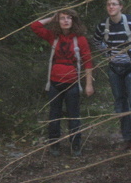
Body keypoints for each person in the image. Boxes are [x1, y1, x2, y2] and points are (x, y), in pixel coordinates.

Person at [31, 10, 94, 157]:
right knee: (54, 115)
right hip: (54, 82)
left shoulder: (80, 40)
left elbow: (88, 62)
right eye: (62, 18)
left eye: (68, 18)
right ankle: (54, 144)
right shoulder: (53, 37)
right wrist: (52, 18)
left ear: (73, 21)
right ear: (58, 21)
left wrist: (89, 84)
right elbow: (35, 26)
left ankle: (76, 145)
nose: (65, 21)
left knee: (74, 116)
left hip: (72, 83)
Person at [93, 0, 131, 150]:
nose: (111, 7)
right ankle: (128, 138)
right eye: (109, 4)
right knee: (120, 104)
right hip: (114, 69)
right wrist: (107, 54)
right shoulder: (103, 26)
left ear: (121, 6)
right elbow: (97, 40)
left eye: (114, 4)